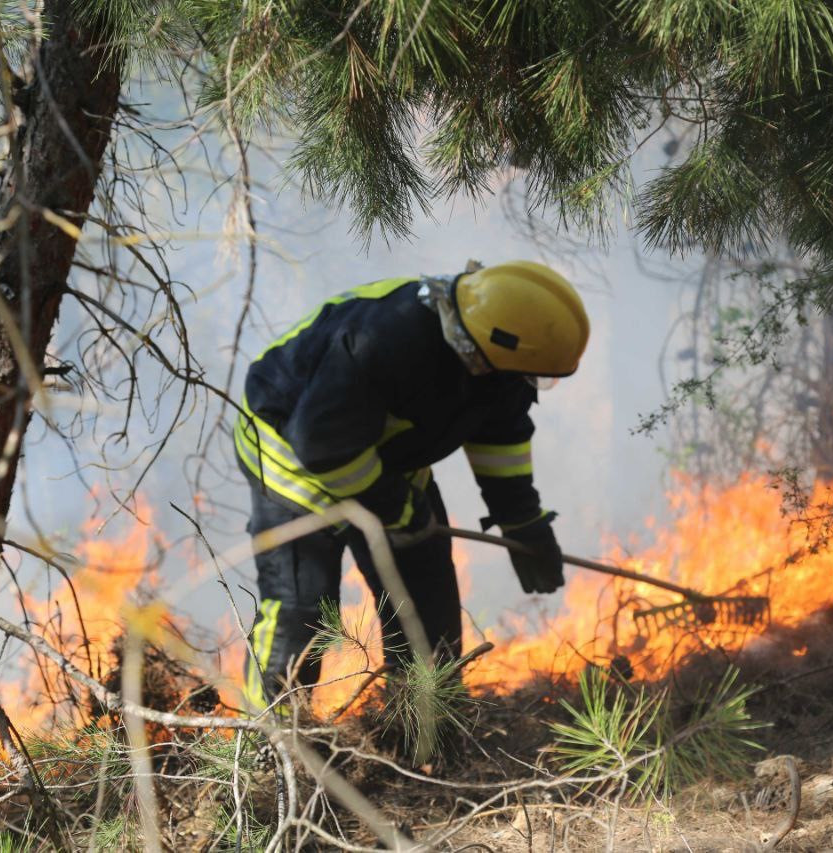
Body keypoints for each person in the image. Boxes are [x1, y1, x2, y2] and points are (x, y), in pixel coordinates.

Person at [233, 261, 589, 708]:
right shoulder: (385, 343)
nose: (532, 385)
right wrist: (398, 509)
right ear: (490, 346)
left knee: (427, 606)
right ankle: (269, 746)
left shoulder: (495, 356)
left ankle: (424, 729)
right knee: (302, 613)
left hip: (383, 463)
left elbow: (500, 434)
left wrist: (521, 521)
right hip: (292, 466)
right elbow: (322, 446)